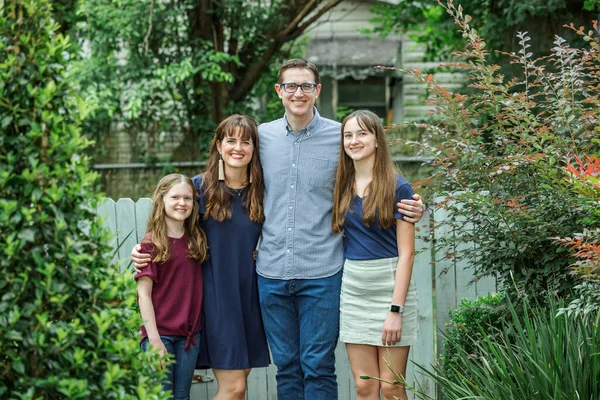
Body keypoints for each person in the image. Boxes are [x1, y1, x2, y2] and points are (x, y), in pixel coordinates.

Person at [256, 59, 425, 400]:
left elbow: (378, 179)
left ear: (318, 90)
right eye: (291, 86)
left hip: (324, 271)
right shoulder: (261, 137)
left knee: (318, 366)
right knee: (287, 366)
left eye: (306, 86)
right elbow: (230, 179)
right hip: (271, 270)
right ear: (279, 91)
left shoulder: (340, 136)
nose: (298, 93)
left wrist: (416, 206)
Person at [133, 115, 270, 400]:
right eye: (231, 140)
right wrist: (142, 249)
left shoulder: (262, 190)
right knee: (234, 388)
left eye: (246, 141)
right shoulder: (198, 189)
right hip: (215, 297)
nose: (238, 147)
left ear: (255, 148)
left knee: (239, 383)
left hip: (250, 297)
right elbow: (166, 221)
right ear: (219, 146)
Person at [332, 110, 417, 400]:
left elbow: (407, 254)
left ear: (377, 139)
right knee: (365, 386)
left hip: (389, 286)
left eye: (362, 133)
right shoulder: (340, 185)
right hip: (354, 289)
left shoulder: (398, 186)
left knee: (392, 387)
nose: (354, 140)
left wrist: (396, 311)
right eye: (348, 135)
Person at [135, 173, 208, 400]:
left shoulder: (197, 240)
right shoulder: (151, 244)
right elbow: (143, 295)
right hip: (160, 336)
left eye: (187, 198)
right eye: (175, 197)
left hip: (188, 337)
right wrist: (154, 340)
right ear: (162, 200)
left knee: (182, 396)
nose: (182, 203)